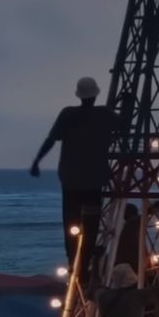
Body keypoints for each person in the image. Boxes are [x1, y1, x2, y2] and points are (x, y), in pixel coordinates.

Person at [31, 76, 122, 265]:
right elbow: (125, 125)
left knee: (70, 220)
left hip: (71, 180)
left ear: (79, 95)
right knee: (92, 222)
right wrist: (128, 103)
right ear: (95, 96)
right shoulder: (104, 115)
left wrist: (37, 161)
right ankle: (86, 259)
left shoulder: (68, 114)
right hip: (94, 180)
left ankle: (72, 258)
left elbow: (51, 140)